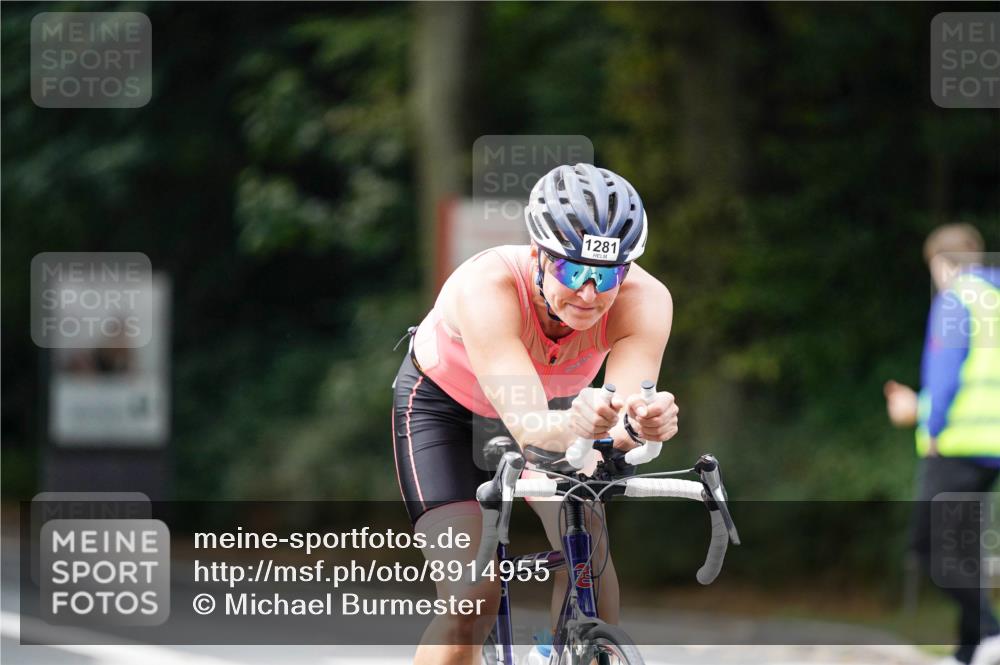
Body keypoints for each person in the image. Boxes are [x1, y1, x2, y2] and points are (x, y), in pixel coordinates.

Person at [392, 163, 679, 665]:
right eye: (573, 271)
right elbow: (530, 429)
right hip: (447, 415)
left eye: (608, 273)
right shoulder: (488, 287)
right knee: (473, 597)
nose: (590, 293)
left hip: (560, 413)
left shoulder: (645, 301)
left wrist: (639, 426)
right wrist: (583, 423)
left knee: (589, 555)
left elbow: (622, 419)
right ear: (538, 256)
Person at [884, 223, 1000, 665]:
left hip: (957, 443)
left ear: (942, 263)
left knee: (929, 546)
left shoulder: (957, 298)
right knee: (965, 549)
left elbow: (948, 370)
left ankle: (991, 631)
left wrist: (929, 423)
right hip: (992, 443)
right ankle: (972, 649)